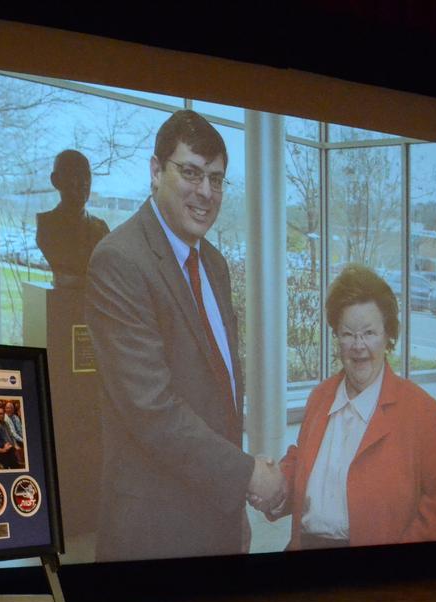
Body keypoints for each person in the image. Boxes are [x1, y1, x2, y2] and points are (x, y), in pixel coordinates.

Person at [85, 109, 284, 562]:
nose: (206, 193)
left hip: (218, 518)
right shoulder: (119, 260)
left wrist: (235, 501)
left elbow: (218, 392)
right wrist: (249, 475)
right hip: (156, 532)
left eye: (216, 179)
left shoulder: (212, 263)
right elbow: (152, 408)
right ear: (156, 171)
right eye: (191, 173)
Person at [265, 264, 436, 549]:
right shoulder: (320, 396)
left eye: (369, 333)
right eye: (347, 334)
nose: (358, 346)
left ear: (388, 336)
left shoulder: (420, 410)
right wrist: (273, 482)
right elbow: (304, 459)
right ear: (337, 338)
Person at [36, 150, 110, 289]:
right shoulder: (46, 226)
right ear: (56, 180)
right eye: (75, 175)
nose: (84, 182)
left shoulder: (101, 229)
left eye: (87, 176)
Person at [1, 400, 25, 466]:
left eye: (10, 408)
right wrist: (23, 440)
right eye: (7, 408)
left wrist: (24, 438)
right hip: (13, 441)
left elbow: (20, 430)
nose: (9, 409)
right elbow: (13, 433)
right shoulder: (5, 418)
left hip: (19, 439)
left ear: (13, 409)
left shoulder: (15, 417)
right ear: (5, 409)